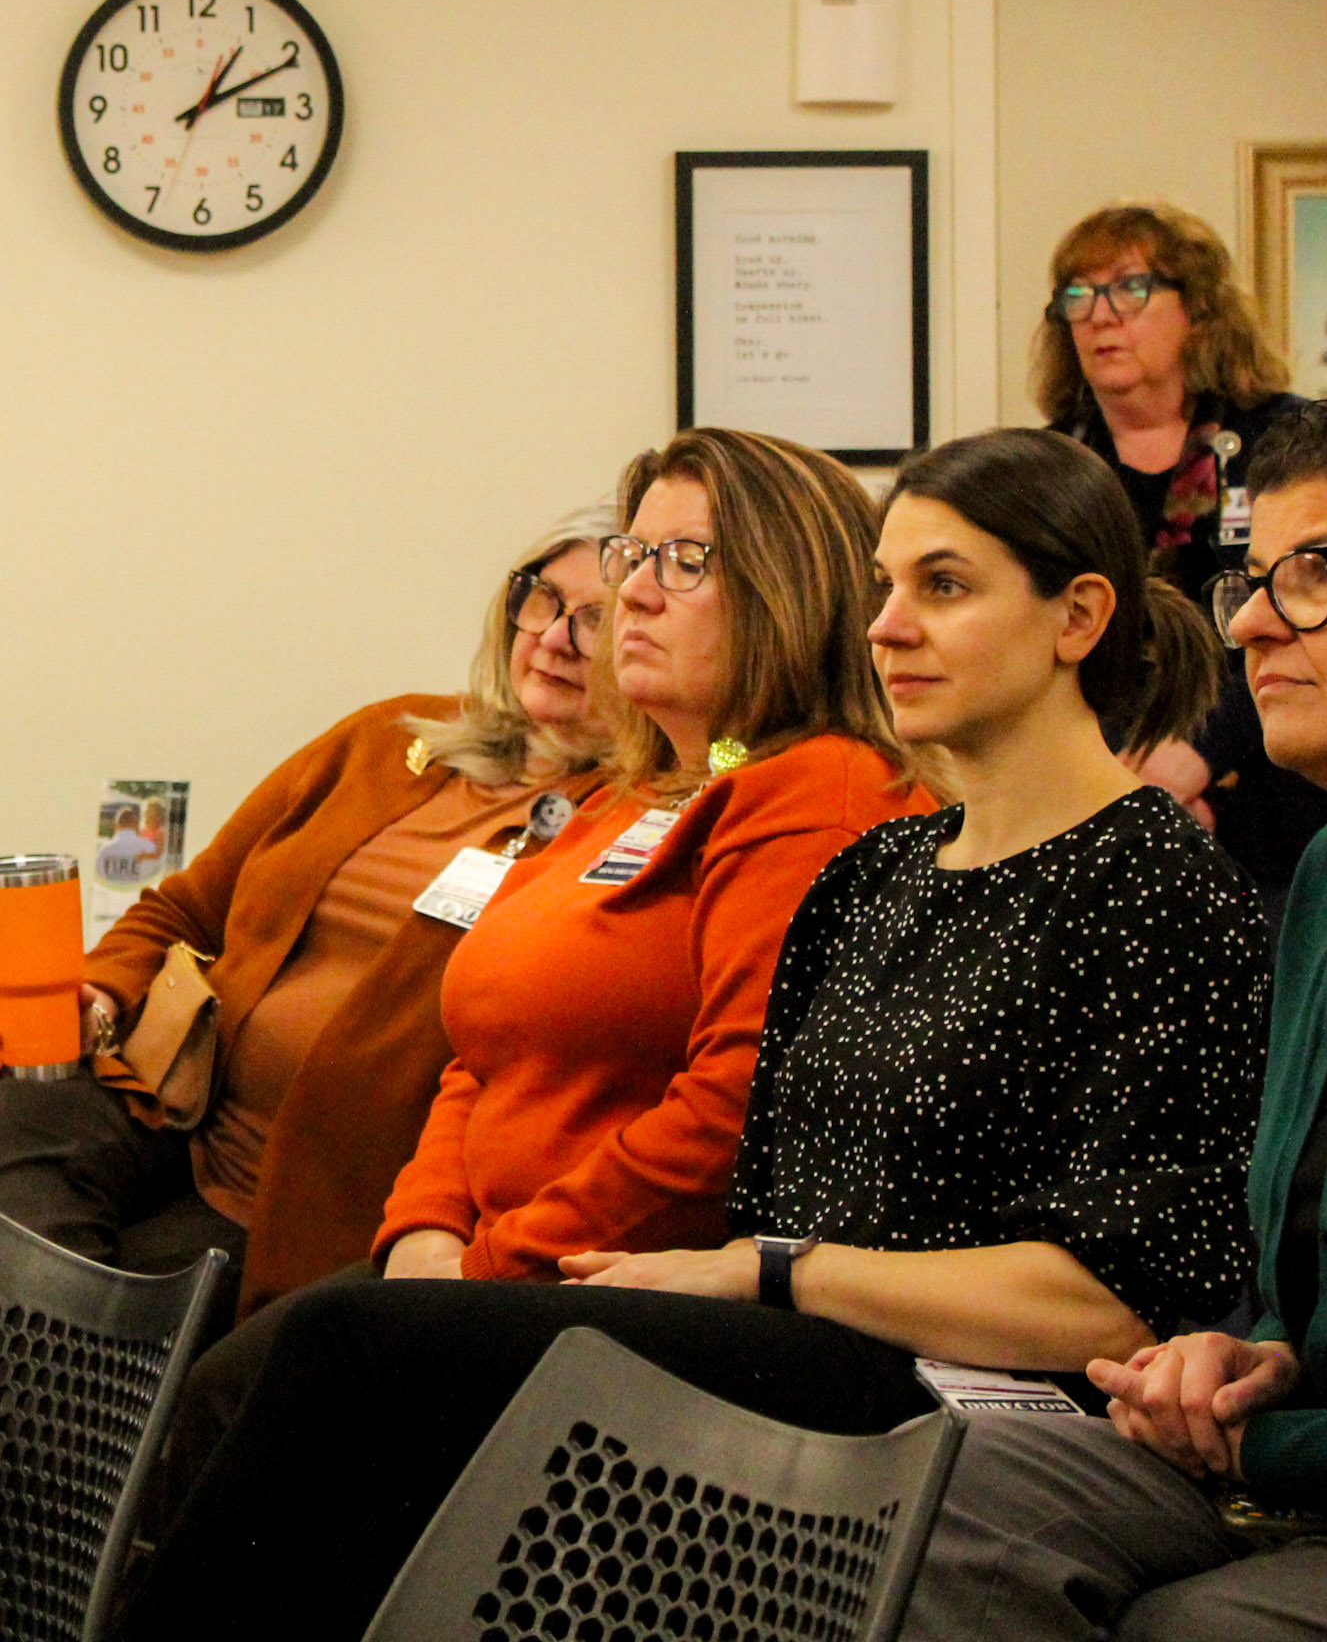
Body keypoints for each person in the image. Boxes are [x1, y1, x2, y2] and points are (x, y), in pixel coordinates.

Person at [117, 428, 1269, 1642]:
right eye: (884, 586)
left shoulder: (1154, 883)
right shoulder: (881, 869)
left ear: (1077, 617)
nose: (887, 627)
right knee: (356, 1429)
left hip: (963, 1379)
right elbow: (743, 1155)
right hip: (791, 1319)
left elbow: (1118, 1302)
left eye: (944, 586)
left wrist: (768, 1269)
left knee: (351, 1353)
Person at [146, 423, 927, 1477]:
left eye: (684, 561)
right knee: (226, 1393)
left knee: (269, 1385)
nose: (635, 594)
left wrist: (485, 1264)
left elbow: (732, 1106)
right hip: (479, 1256)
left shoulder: (814, 790)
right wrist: (424, 1225)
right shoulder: (631, 792)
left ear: (788, 589)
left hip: (617, 1284)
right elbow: (479, 1048)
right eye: (634, 555)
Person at [900, 395, 1327, 1642]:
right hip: (1289, 1465)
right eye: (1253, 581)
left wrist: (1265, 1433)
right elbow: (1307, 1281)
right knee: (938, 1496)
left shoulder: (1170, 876)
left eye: (1316, 575)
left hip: (1305, 1473)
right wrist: (1248, 1357)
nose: (1251, 622)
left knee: (1197, 1626)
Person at [0, 499, 617, 1323]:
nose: (553, 638)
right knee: (16, 1140)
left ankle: (68, 1371)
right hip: (175, 1105)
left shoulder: (627, 820)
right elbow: (186, 908)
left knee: (104, 1306)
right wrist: (102, 996)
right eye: (542, 599)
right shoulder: (387, 738)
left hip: (309, 1195)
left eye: (595, 620)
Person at [1036, 199, 1327, 917]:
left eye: (1129, 288)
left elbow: (1313, 620)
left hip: (1280, 814)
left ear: (1199, 311)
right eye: (1078, 294)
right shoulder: (1047, 467)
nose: (1100, 316)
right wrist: (1131, 785)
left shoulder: (1287, 441)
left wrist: (1199, 757)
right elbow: (1042, 639)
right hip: (1100, 803)